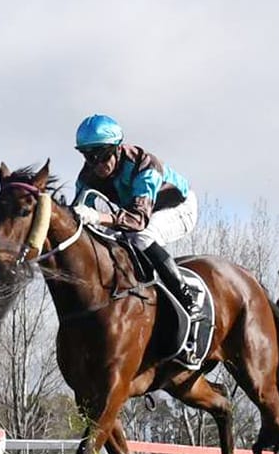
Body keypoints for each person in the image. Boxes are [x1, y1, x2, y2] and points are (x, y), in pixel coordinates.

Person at [71, 114, 199, 317]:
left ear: (117, 148)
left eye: (103, 155)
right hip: (137, 211)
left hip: (177, 206)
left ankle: (187, 298)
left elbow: (138, 220)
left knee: (142, 237)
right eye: (89, 157)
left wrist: (98, 217)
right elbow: (78, 222)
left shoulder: (145, 165)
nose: (98, 165)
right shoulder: (87, 177)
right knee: (107, 243)